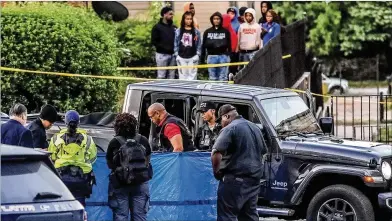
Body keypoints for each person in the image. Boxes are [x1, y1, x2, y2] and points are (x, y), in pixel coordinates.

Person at [211, 104, 266, 221]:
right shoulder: (255, 128)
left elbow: (216, 152)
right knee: (249, 216)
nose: (221, 123)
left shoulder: (230, 128)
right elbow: (263, 152)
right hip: (253, 181)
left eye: (221, 119)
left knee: (226, 216)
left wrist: (217, 172)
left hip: (234, 181)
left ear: (226, 116)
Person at [106, 113, 152, 221]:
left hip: (120, 184)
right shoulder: (143, 140)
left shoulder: (114, 142)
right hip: (140, 183)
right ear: (135, 125)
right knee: (140, 217)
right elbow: (147, 161)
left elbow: (109, 164)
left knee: (121, 216)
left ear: (117, 126)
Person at [48, 110, 97, 206]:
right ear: (79, 122)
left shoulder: (55, 138)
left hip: (62, 179)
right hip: (82, 179)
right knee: (80, 207)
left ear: (65, 123)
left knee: (62, 207)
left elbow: (51, 157)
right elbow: (93, 158)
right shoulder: (88, 139)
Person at [201, 12, 231, 81]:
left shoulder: (226, 31)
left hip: (223, 57)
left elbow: (229, 45)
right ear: (212, 20)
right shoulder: (207, 32)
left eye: (218, 19)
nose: (216, 20)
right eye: (214, 19)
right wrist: (202, 58)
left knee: (223, 78)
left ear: (221, 20)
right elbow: (203, 46)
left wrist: (229, 55)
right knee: (212, 78)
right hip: (211, 57)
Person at [174, 11, 202, 80]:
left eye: (190, 19)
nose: (189, 20)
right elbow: (176, 43)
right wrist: (177, 55)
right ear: (184, 19)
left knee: (192, 77)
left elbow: (199, 44)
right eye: (187, 19)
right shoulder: (178, 31)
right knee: (182, 77)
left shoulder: (196, 31)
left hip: (192, 57)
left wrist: (197, 55)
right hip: (181, 57)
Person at [151, 6, 177, 79]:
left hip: (173, 55)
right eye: (170, 14)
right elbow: (154, 41)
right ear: (164, 14)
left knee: (171, 76)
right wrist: (163, 48)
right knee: (161, 76)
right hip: (162, 55)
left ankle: (171, 90)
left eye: (172, 14)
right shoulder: (157, 27)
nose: (172, 16)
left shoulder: (174, 27)